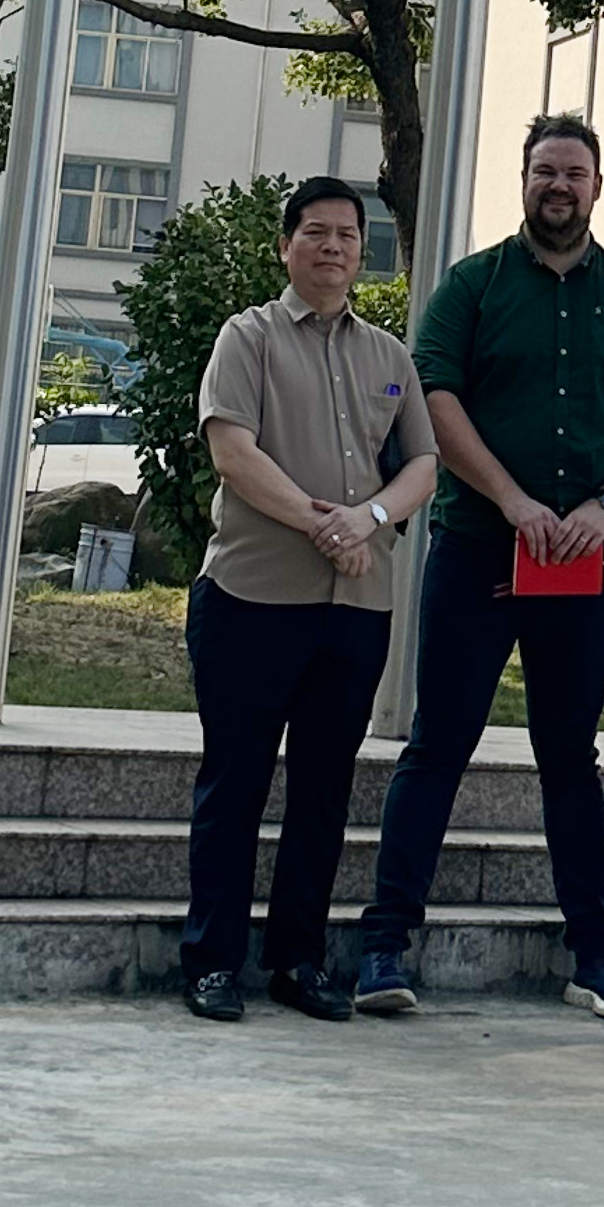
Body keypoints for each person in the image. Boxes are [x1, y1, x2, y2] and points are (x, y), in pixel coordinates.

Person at [352, 111, 604, 1023]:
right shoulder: (473, 285)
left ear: (598, 187)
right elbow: (433, 396)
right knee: (438, 744)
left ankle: (595, 956)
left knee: (570, 756)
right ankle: (384, 945)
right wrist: (511, 500)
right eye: (546, 171)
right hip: (478, 548)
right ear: (525, 180)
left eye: (575, 173)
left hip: (582, 561)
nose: (559, 186)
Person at [180, 175, 438, 1027]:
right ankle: (212, 962)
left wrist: (368, 519)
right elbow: (233, 452)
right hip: (252, 598)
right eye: (316, 232)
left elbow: (422, 465)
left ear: (364, 252)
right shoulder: (247, 338)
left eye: (348, 236)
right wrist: (324, 526)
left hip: (356, 610)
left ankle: (297, 960)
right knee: (236, 784)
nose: (333, 247)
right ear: (286, 245)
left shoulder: (389, 356)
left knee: (324, 793)